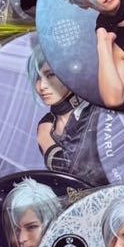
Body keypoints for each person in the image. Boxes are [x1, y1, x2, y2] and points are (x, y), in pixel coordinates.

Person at [26, 41, 103, 182]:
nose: (42, 86)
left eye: (50, 75)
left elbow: (78, 172)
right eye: (37, 78)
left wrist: (45, 140)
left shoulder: (95, 112)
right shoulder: (48, 123)